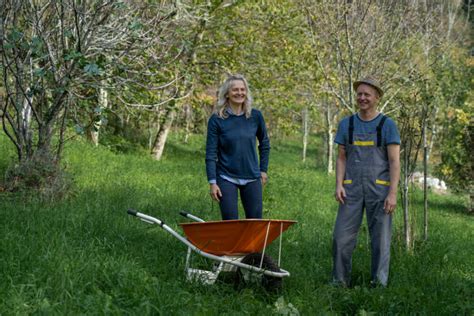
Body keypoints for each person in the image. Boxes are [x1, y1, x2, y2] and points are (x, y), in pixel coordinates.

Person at [332, 77, 401, 287]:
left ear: (377, 98)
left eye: (367, 95)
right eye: (359, 94)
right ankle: (339, 282)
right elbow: (342, 157)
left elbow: (394, 161)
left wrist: (392, 193)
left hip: (379, 191)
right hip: (351, 189)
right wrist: (339, 184)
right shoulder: (347, 124)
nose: (362, 98)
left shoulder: (387, 125)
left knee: (380, 241)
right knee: (340, 238)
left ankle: (379, 284)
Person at [205, 74, 270, 220]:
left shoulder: (255, 116)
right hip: (226, 177)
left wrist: (263, 170)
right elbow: (210, 153)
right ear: (227, 93)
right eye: (235, 90)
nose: (239, 93)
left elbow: (264, 144)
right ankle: (232, 244)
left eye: (242, 89)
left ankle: (251, 245)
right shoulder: (217, 119)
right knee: (230, 223)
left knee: (255, 224)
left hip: (252, 176)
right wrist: (212, 182)